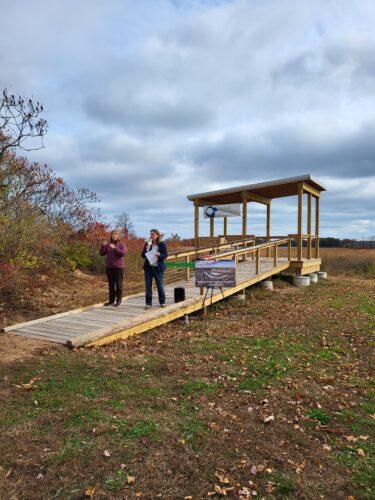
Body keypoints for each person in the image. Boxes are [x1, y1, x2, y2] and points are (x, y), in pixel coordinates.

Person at [141, 229, 168, 309]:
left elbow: (165, 255)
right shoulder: (148, 244)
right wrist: (147, 248)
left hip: (158, 268)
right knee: (148, 285)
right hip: (148, 268)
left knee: (159, 285)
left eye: (153, 234)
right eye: (151, 234)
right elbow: (142, 256)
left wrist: (159, 255)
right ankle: (148, 303)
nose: (151, 236)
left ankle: (162, 302)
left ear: (157, 235)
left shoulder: (162, 244)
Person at [100, 229, 126, 307]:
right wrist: (103, 246)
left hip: (118, 267)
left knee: (118, 285)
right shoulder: (108, 244)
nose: (114, 236)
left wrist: (115, 248)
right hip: (109, 267)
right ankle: (111, 301)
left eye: (116, 234)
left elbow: (123, 254)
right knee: (111, 285)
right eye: (113, 234)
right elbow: (102, 253)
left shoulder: (121, 244)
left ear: (118, 236)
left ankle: (118, 300)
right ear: (111, 235)